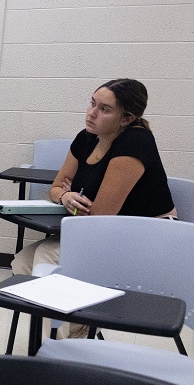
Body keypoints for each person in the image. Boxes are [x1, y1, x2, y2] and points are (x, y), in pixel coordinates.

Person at [12, 78, 175, 276]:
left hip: (146, 233)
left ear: (127, 118)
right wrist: (66, 197)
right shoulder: (87, 137)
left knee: (47, 257)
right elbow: (55, 188)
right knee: (21, 262)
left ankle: (60, 305)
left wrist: (70, 197)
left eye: (104, 109)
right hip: (103, 229)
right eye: (92, 103)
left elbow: (99, 216)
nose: (92, 113)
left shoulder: (135, 142)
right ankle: (50, 304)